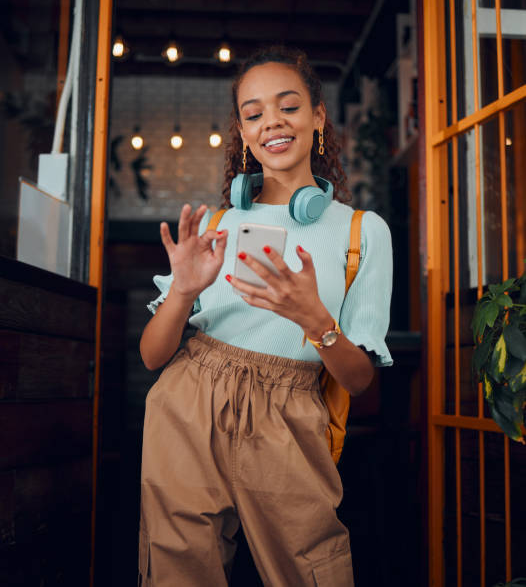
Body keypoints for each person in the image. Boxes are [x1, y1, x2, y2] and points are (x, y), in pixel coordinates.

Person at [138, 46, 393, 587]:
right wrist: (183, 292)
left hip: (290, 411)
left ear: (318, 117)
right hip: (189, 399)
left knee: (310, 569)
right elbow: (153, 356)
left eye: (288, 106)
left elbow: (361, 380)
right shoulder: (217, 221)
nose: (271, 122)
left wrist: (315, 321)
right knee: (177, 570)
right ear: (243, 132)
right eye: (253, 114)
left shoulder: (362, 232)